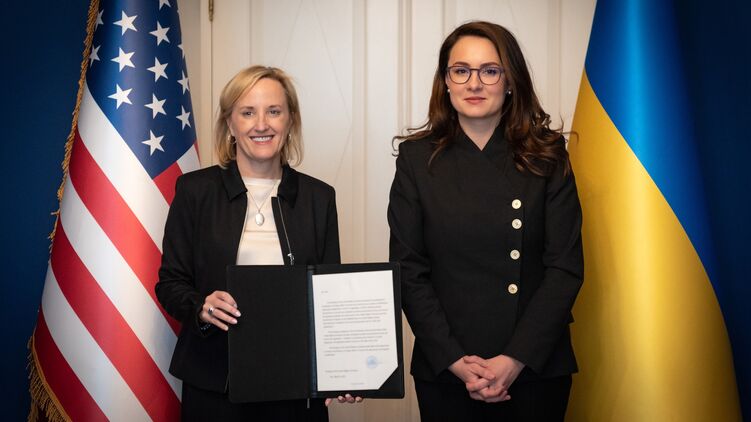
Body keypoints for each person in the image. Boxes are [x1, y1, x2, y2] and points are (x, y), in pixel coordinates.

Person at [388, 21, 583, 421]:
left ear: (510, 81)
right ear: (446, 81)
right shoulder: (416, 159)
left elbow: (565, 268)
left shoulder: (548, 155)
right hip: (448, 367)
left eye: (490, 71)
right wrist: (455, 360)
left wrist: (514, 359)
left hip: (534, 367)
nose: (474, 83)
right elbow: (408, 270)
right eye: (461, 70)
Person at [155, 65, 357, 421]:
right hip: (214, 382)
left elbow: (331, 296)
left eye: (274, 111)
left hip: (295, 385)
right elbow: (170, 283)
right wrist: (201, 306)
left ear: (290, 121)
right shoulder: (195, 191)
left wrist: (344, 370)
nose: (261, 124)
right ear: (230, 124)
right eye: (248, 112)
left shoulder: (319, 198)